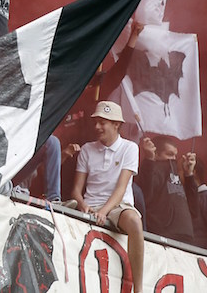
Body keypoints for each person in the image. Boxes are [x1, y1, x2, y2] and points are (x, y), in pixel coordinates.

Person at [68, 101, 145, 293]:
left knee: (135, 221)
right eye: (96, 122)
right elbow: (76, 190)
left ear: (116, 125)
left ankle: (139, 289)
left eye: (102, 122)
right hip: (90, 207)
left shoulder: (130, 148)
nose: (97, 127)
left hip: (118, 207)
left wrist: (104, 212)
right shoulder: (86, 149)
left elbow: (121, 189)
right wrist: (83, 205)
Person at [137, 135, 196, 243]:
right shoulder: (150, 170)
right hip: (162, 235)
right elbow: (145, 195)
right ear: (156, 153)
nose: (173, 159)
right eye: (169, 154)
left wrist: (189, 175)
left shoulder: (178, 173)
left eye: (175, 155)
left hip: (186, 236)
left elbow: (194, 209)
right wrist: (149, 160)